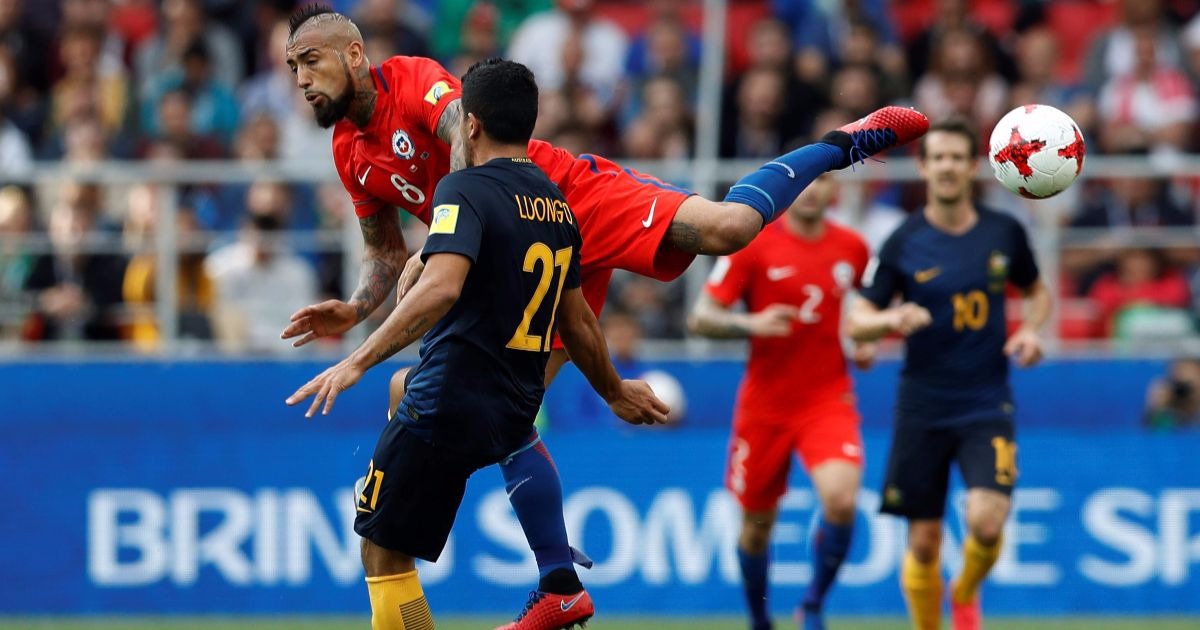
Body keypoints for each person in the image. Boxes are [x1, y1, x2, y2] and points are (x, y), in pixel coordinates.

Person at [277, 5, 927, 625]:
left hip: (560, 197)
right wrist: (356, 304)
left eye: (310, 61)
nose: (301, 79)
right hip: (504, 253)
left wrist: (440, 245)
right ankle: (559, 583)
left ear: (355, 54)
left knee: (728, 228)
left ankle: (842, 144)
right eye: (291, 68)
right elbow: (382, 252)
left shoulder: (414, 79)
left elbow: (463, 136)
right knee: (494, 403)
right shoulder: (348, 150)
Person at [284, 58, 669, 630]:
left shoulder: (462, 188)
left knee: (381, 550)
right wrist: (612, 390)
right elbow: (580, 320)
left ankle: (557, 581)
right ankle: (559, 579)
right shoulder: (558, 206)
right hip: (515, 398)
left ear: (469, 124)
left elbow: (440, 289)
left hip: (451, 394)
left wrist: (355, 360)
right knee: (452, 412)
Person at [845, 118, 1054, 630]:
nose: (947, 166)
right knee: (923, 541)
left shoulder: (1003, 232)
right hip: (923, 404)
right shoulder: (902, 241)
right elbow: (857, 321)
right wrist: (891, 319)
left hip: (986, 401)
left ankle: (964, 592)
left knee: (986, 522)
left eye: (957, 157)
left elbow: (1036, 291)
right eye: (937, 157)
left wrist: (1031, 330)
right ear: (923, 165)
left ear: (973, 166)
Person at [688, 173, 874, 630]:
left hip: (827, 397)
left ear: (835, 189)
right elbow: (701, 318)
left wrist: (869, 337)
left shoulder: (854, 247)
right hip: (765, 406)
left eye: (823, 179)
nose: (812, 189)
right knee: (756, 527)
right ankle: (759, 619)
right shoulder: (753, 244)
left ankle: (812, 605)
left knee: (842, 500)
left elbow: (867, 309)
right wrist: (751, 325)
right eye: (805, 180)